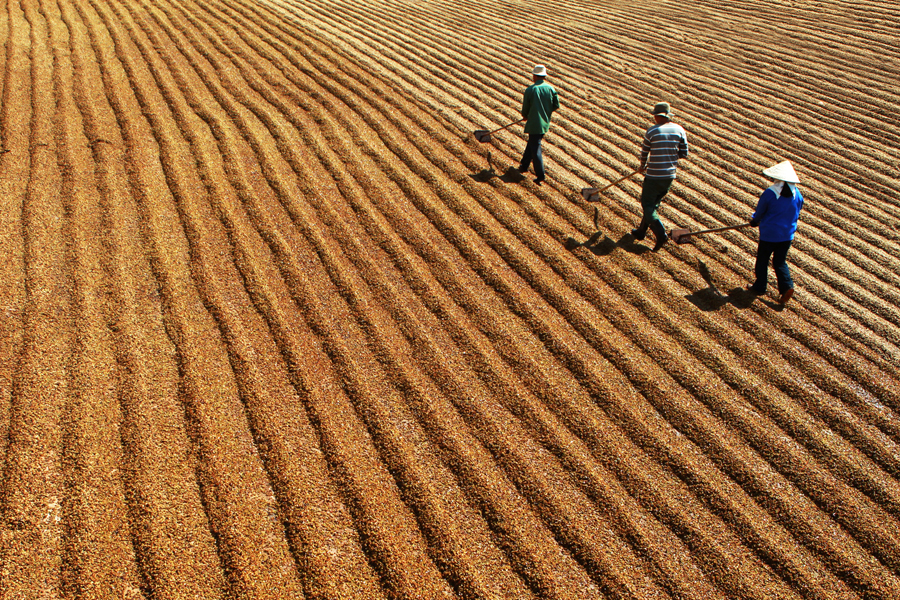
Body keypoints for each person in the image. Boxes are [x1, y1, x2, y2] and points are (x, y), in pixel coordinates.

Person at [632, 102, 689, 251]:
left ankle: (661, 234)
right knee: (654, 205)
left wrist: (642, 165)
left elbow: (644, 152)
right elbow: (684, 153)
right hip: (669, 176)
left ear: (657, 116)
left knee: (647, 205)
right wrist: (668, 158)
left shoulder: (652, 131)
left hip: (653, 176)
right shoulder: (679, 129)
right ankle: (641, 232)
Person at [746, 160, 804, 304]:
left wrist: (755, 220)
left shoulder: (770, 193)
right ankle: (787, 287)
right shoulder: (797, 195)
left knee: (762, 260)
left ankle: (760, 287)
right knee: (779, 262)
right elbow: (797, 211)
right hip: (787, 235)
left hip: (769, 234)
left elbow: (760, 211)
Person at [517, 65, 559, 185]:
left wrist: (525, 115)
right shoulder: (551, 89)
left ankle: (540, 175)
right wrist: (545, 111)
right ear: (544, 76)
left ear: (535, 76)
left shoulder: (530, 89)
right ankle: (524, 166)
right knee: (532, 142)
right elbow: (556, 105)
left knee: (535, 148)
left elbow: (525, 107)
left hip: (534, 123)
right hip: (544, 122)